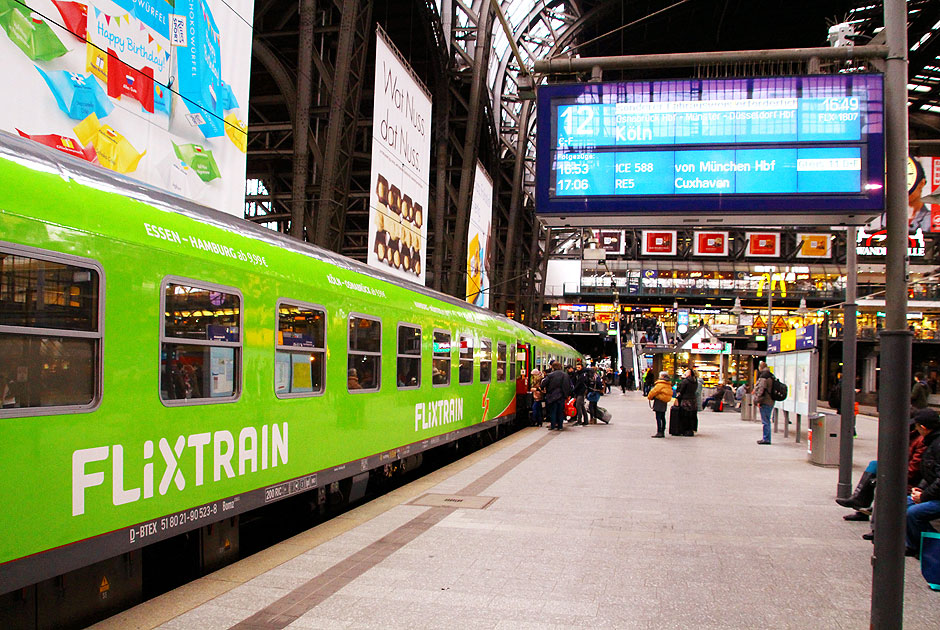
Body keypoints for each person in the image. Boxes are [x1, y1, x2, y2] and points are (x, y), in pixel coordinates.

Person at [905, 409, 940, 558]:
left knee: (913, 513)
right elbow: (930, 473)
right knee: (905, 504)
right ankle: (915, 545)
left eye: (917, 427)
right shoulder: (932, 442)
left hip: (937, 496)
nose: (916, 430)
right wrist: (920, 489)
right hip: (934, 493)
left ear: (923, 428)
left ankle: (933, 546)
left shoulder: (936, 445)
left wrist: (923, 496)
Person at [541, 361, 571, 431]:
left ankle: (553, 426)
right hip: (561, 396)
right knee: (560, 412)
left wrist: (543, 389)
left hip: (552, 396)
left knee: (553, 412)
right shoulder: (565, 375)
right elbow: (567, 386)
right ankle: (560, 426)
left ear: (553, 367)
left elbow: (543, 384)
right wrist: (567, 396)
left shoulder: (550, 375)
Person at [752, 361, 775, 445]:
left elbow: (761, 389)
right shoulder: (771, 375)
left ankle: (766, 438)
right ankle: (766, 438)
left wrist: (757, 400)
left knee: (765, 421)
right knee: (767, 420)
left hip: (765, 401)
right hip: (771, 400)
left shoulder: (764, 376)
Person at [647, 371, 674, 438]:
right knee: (662, 416)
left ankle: (659, 431)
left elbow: (653, 392)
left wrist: (649, 397)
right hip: (664, 402)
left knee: (658, 417)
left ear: (662, 376)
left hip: (659, 401)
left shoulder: (660, 384)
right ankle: (662, 431)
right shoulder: (668, 384)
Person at [675, 368, 698, 436]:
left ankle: (685, 430)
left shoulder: (685, 381)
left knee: (685, 415)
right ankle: (691, 429)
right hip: (693, 400)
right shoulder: (695, 381)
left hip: (685, 400)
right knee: (692, 415)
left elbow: (681, 390)